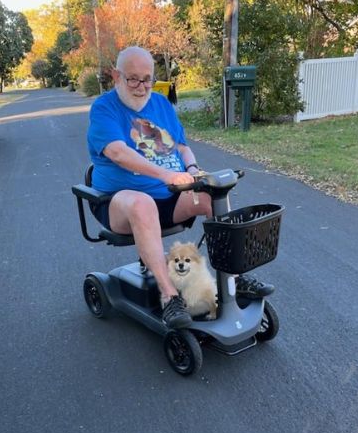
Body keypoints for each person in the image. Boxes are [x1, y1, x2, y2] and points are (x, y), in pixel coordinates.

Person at [86, 46, 273, 329]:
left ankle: (234, 280)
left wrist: (194, 171)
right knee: (142, 204)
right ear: (116, 76)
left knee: (214, 195)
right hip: (117, 202)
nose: (141, 86)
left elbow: (183, 147)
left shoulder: (161, 104)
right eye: (132, 79)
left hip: (170, 196)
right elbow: (117, 153)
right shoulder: (104, 108)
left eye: (146, 78)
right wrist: (165, 175)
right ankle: (170, 296)